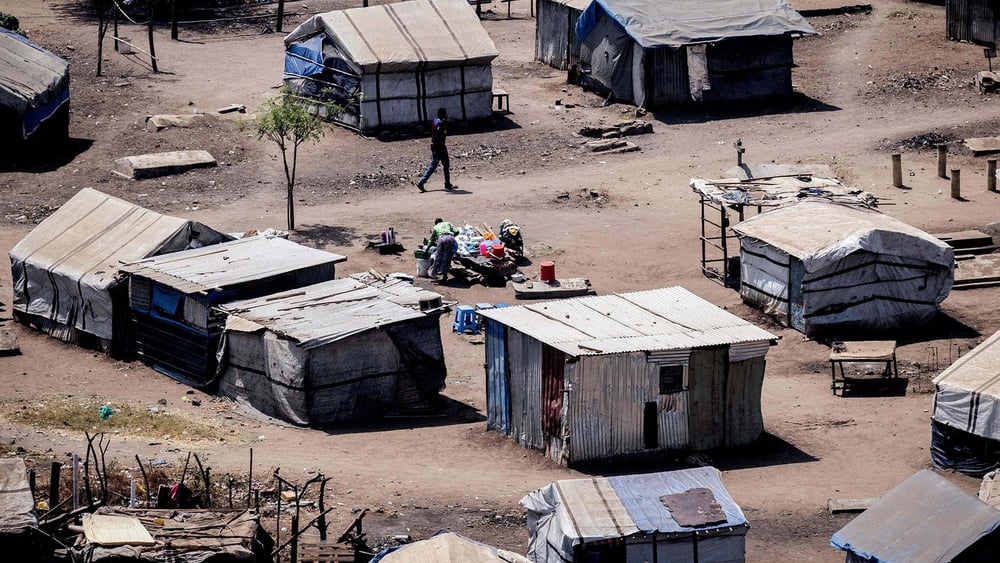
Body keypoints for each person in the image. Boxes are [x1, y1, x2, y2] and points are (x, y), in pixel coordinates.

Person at [416, 108, 455, 192]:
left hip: (435, 147)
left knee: (435, 165)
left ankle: (422, 182)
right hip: (439, 148)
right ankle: (446, 184)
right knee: (443, 165)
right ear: (443, 115)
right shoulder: (440, 124)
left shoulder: (435, 121)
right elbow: (438, 137)